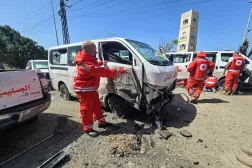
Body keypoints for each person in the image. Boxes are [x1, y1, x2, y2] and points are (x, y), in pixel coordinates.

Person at [74, 40, 129, 137]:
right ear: (86, 51)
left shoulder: (87, 58)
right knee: (87, 109)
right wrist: (121, 71)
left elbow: (95, 63)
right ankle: (88, 128)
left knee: (97, 107)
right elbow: (102, 72)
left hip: (90, 88)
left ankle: (102, 123)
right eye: (93, 51)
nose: (95, 53)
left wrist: (101, 63)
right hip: (84, 90)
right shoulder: (85, 64)